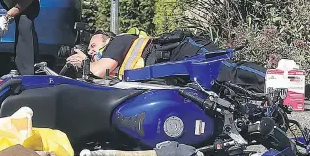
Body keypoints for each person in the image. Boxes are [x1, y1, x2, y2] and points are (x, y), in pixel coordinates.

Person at [66, 29, 267, 93]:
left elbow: (99, 71)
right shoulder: (119, 63)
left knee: (226, 70)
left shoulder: (119, 41)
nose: (92, 52)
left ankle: (278, 82)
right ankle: (270, 95)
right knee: (225, 88)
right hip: (175, 65)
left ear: (107, 40)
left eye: (93, 46)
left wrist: (83, 60)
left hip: (183, 50)